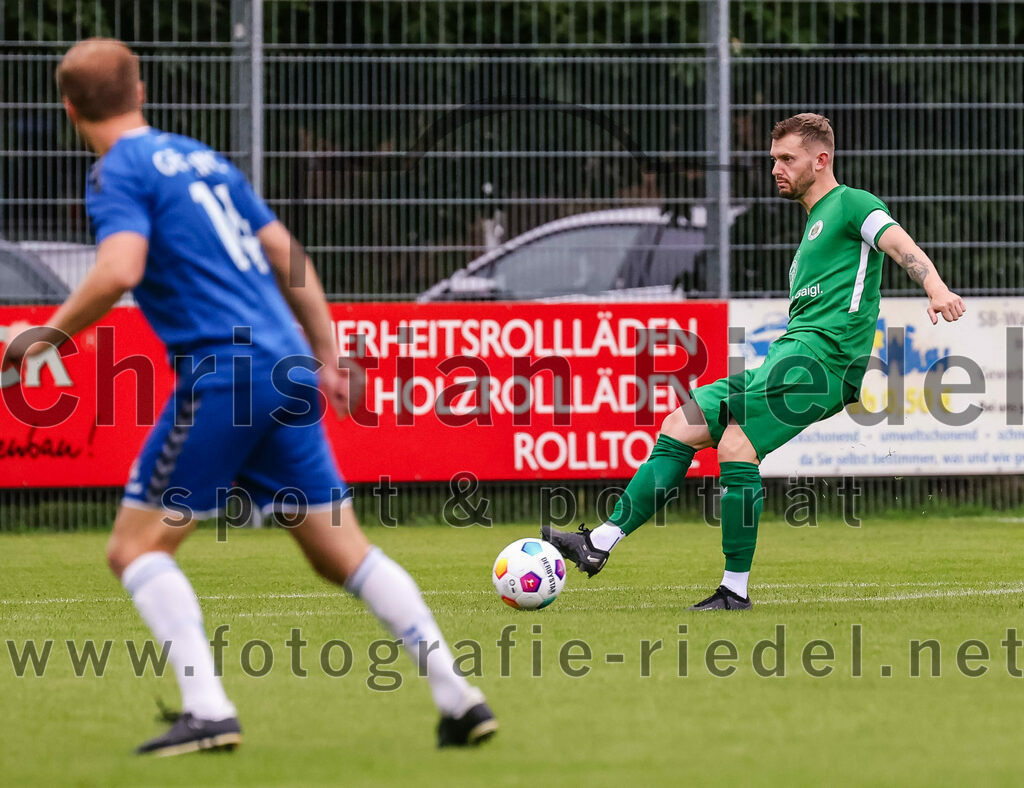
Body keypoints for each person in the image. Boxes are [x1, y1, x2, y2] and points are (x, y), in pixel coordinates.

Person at [1, 38, 496, 754]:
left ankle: (207, 708)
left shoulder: (117, 172)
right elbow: (285, 251)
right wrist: (326, 354)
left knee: (135, 547)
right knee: (342, 554)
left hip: (226, 372)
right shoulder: (205, 160)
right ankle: (457, 693)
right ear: (140, 91)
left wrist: (40, 338)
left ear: (70, 107)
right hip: (286, 367)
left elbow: (117, 271)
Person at [543, 113, 967, 610]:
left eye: (787, 159)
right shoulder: (814, 224)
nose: (776, 169)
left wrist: (936, 287)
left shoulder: (853, 204)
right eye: (773, 160)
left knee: (737, 447)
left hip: (824, 358)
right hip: (793, 355)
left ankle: (734, 592)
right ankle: (598, 544)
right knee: (682, 423)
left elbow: (898, 242)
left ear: (821, 159)